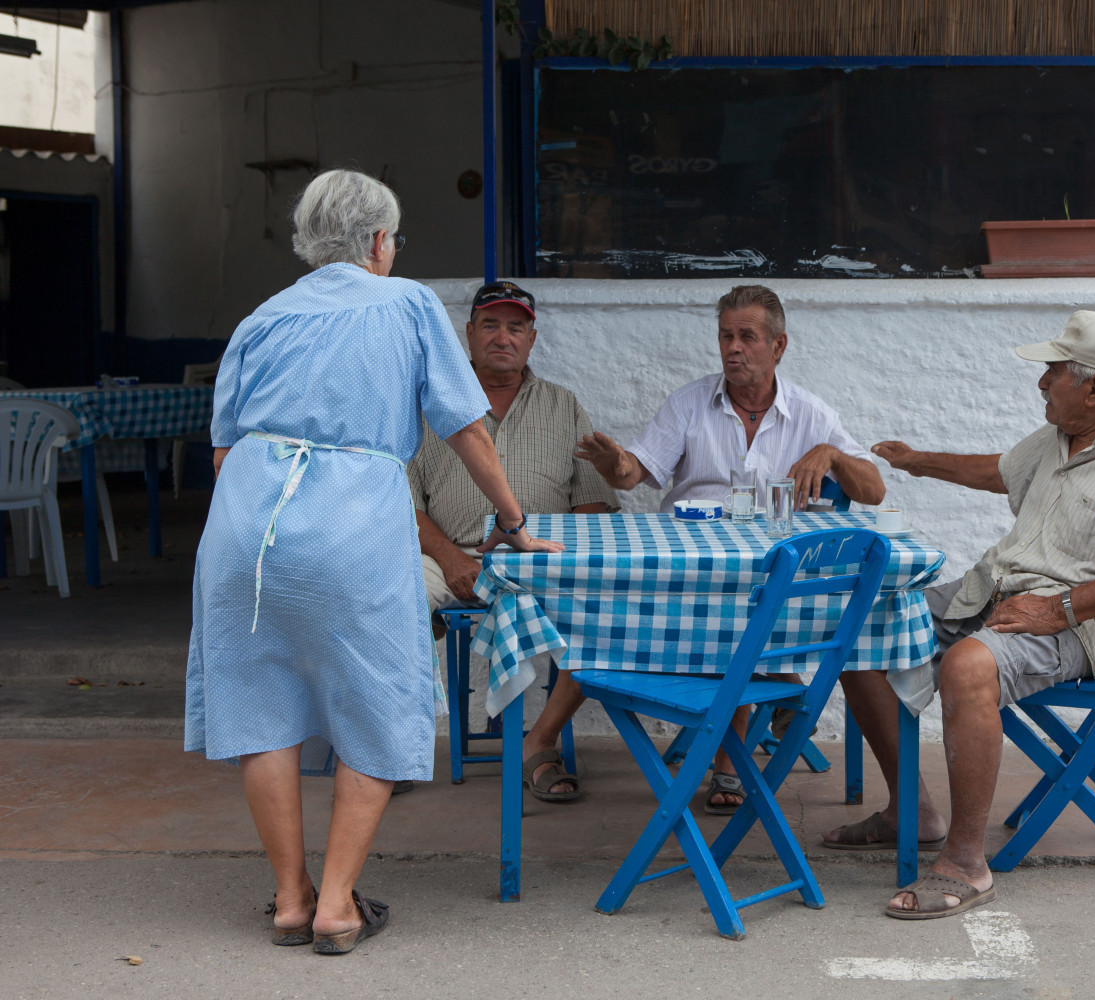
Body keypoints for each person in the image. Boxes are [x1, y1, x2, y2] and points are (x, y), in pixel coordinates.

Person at [185, 169, 562, 955]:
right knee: (378, 695)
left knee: (261, 706)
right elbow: (468, 430)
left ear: (308, 241)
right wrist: (514, 519)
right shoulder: (407, 303)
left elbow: (222, 453)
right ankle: (334, 905)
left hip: (246, 527)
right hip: (352, 519)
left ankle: (289, 899)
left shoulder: (262, 317)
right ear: (381, 243)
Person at [821, 310, 1095, 920]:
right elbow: (999, 470)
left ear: (1094, 387)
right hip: (995, 591)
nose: (1041, 382)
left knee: (969, 666)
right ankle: (912, 810)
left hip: (1078, 623)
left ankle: (966, 863)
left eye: (1052, 371)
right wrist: (917, 460)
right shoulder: (1061, 434)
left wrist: (1061, 607)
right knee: (860, 630)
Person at [575, 283, 885, 813]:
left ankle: (731, 758)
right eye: (725, 336)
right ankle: (774, 698)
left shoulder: (811, 414)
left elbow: (874, 491)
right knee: (595, 605)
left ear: (778, 346)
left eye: (747, 337)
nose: (733, 348)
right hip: (691, 578)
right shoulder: (690, 403)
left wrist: (831, 453)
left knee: (751, 609)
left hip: (775, 586)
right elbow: (632, 475)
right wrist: (612, 463)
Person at [408, 280, 617, 802]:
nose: (503, 337)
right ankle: (394, 749)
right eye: (491, 325)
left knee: (599, 608)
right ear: (469, 333)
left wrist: (568, 560)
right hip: (449, 555)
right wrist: (453, 560)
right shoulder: (429, 405)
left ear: (532, 338)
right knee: (391, 600)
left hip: (539, 557)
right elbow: (402, 505)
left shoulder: (562, 405)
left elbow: (590, 503)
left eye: (516, 327)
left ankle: (539, 743)